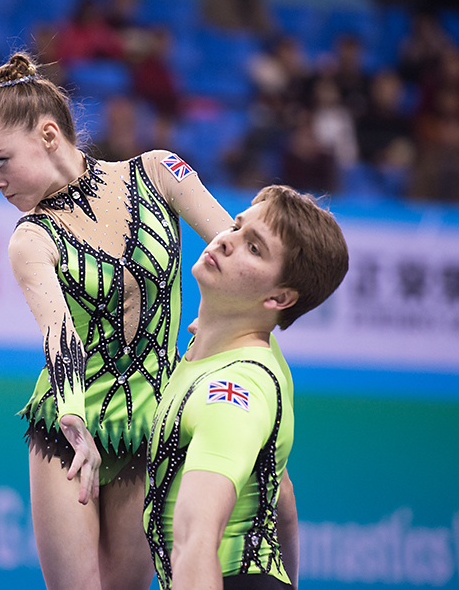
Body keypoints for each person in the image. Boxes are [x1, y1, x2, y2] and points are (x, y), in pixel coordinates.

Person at [0, 51, 235, 590]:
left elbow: (236, 253)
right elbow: (58, 332)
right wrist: (72, 418)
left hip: (149, 430)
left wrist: (222, 327)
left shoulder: (158, 174)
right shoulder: (31, 238)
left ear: (47, 135)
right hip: (69, 434)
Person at [144, 184, 349, 590]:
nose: (225, 242)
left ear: (278, 297)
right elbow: (282, 499)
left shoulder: (232, 392)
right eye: (238, 227)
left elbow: (196, 541)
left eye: (254, 248)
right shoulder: (255, 352)